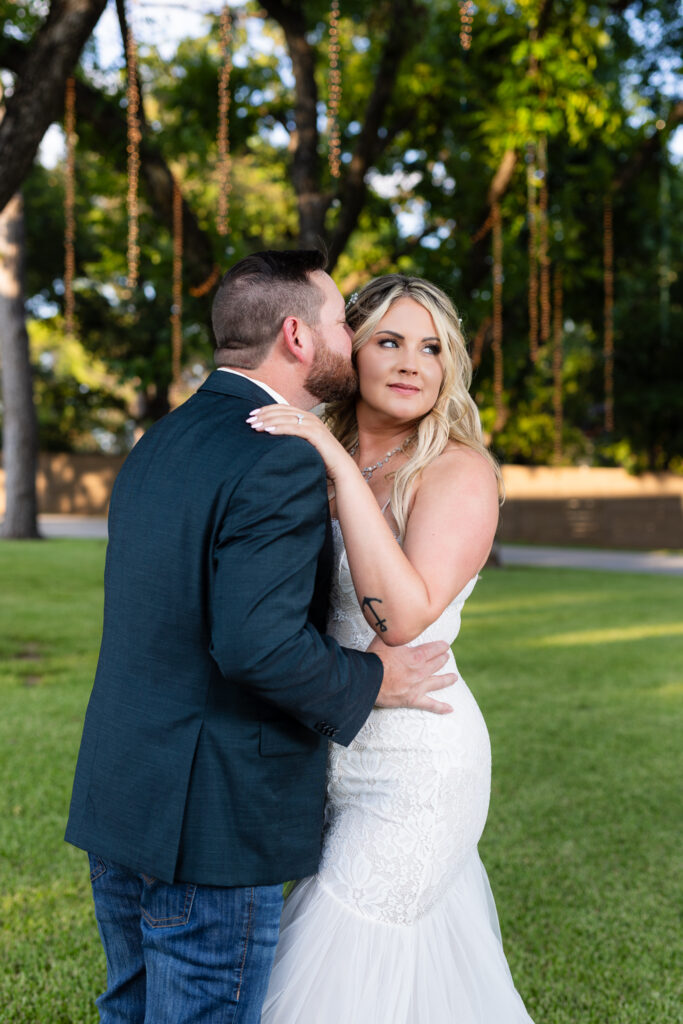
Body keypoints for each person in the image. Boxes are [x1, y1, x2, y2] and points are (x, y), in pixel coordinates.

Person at [65, 251, 457, 1024]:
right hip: (208, 820)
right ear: (297, 337)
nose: (353, 336)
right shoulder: (277, 455)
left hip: (124, 798)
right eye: (343, 322)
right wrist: (376, 679)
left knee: (131, 1008)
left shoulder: (164, 438)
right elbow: (256, 647)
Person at [249, 274, 535, 1023]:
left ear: (449, 367)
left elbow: (401, 619)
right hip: (326, 753)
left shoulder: (457, 472)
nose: (411, 362)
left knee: (332, 965)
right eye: (388, 341)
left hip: (417, 766)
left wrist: (337, 466)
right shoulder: (309, 445)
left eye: (431, 347)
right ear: (350, 352)